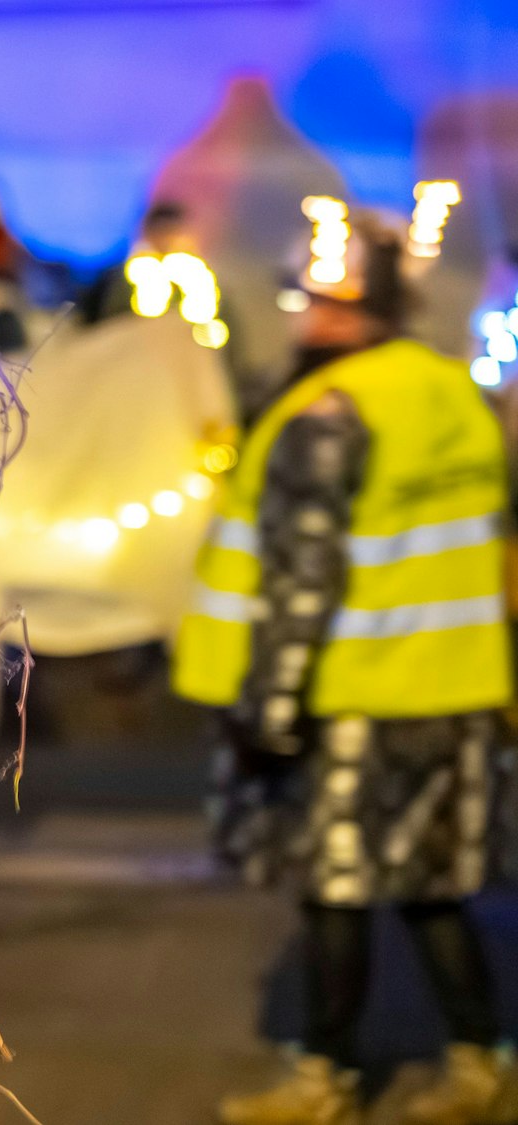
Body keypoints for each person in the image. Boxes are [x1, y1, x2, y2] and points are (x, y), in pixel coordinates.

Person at [177, 213, 518, 1125]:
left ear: (335, 310)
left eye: (304, 302)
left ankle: (321, 1080)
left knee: (336, 891)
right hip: (453, 686)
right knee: (431, 887)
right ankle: (484, 1063)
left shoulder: (326, 412)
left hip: (353, 696)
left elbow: (299, 580)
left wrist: (269, 710)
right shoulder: (453, 394)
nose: (294, 319)